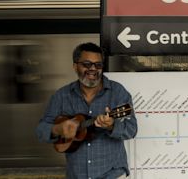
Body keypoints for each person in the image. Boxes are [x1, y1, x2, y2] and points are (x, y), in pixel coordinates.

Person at [36, 42, 138, 179]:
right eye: (87, 64)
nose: (93, 69)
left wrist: (112, 126)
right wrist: (57, 129)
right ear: (75, 66)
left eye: (98, 65)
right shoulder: (61, 95)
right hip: (76, 175)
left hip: (112, 174)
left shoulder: (118, 92)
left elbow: (132, 129)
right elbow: (40, 131)